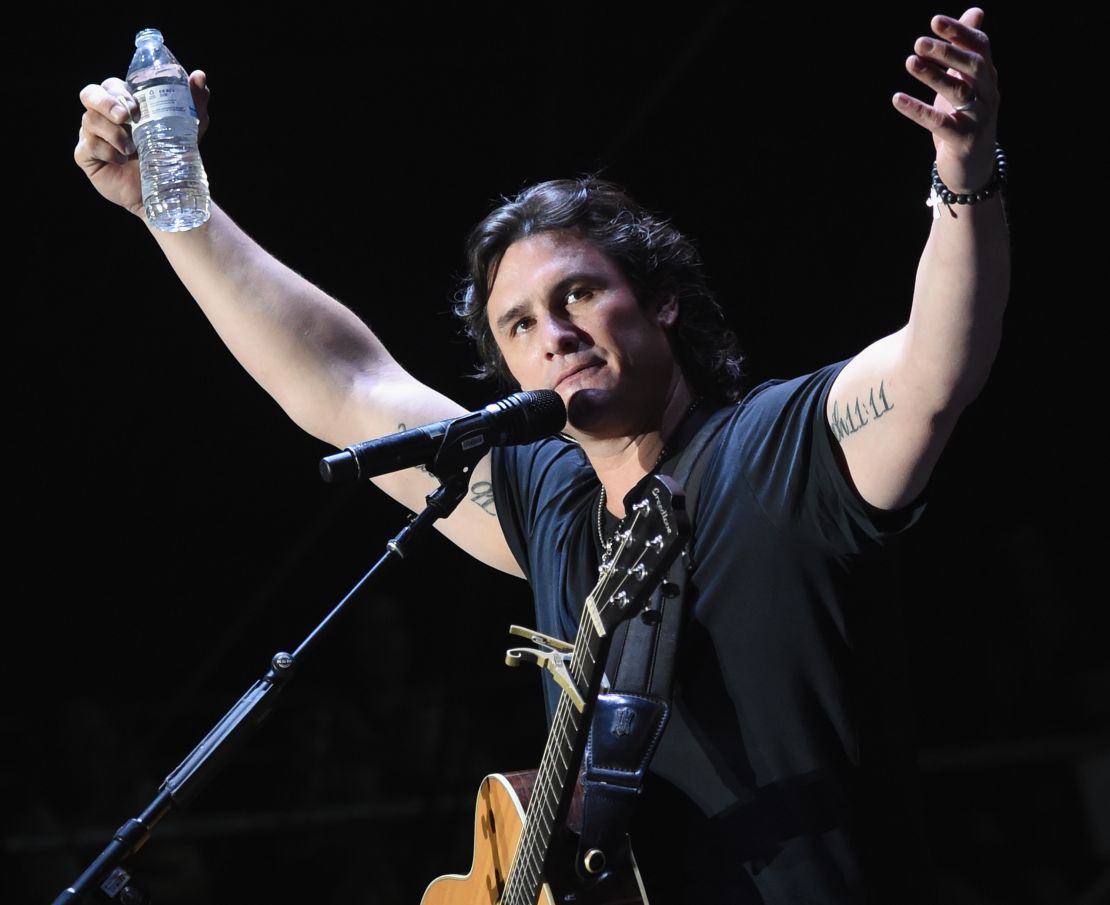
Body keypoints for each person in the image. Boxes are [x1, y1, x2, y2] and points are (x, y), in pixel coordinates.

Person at [75, 7, 1009, 902]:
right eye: (519, 323)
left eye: (577, 296)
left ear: (661, 302)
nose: (552, 333)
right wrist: (171, 206)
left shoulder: (776, 451)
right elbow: (344, 383)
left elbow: (934, 367)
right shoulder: (553, 507)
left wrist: (963, 175)